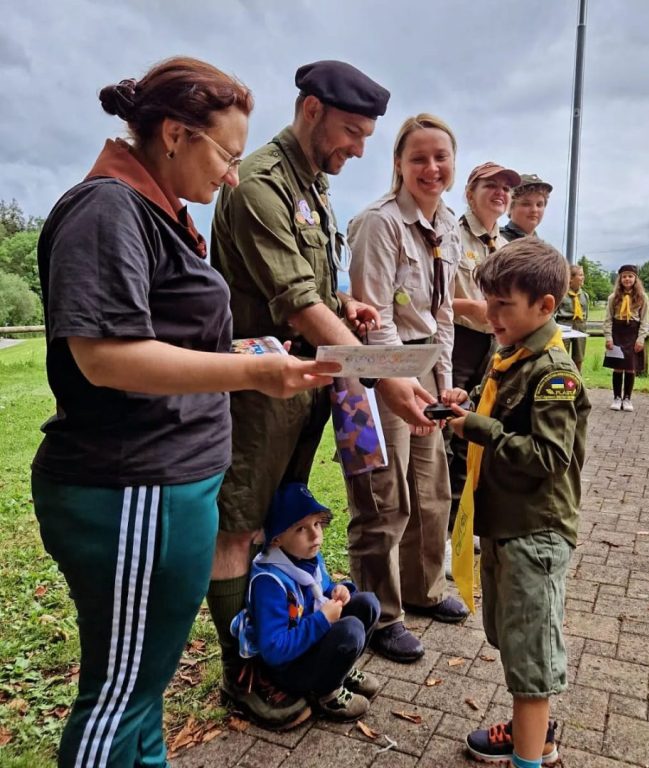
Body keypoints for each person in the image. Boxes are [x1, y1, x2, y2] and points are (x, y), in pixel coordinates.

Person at [31, 57, 339, 768]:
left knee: (142, 692)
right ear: (174, 135)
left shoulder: (155, 213)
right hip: (130, 485)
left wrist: (239, 348)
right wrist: (252, 372)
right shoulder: (107, 209)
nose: (233, 174)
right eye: (228, 154)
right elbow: (106, 355)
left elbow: (161, 338)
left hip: (164, 484)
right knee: (118, 699)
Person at [208, 60, 436, 726]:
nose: (360, 148)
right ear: (311, 109)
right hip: (257, 394)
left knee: (278, 524)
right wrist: (386, 373)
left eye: (368, 135)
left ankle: (291, 658)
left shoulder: (311, 184)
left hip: (305, 384)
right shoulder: (259, 185)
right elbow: (294, 301)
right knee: (240, 528)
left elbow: (309, 289)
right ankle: (244, 673)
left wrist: (348, 304)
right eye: (352, 131)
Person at [448, 237, 590, 768]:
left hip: (536, 533)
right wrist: (466, 405)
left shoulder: (553, 372)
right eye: (488, 301)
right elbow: (500, 414)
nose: (490, 314)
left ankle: (531, 757)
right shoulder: (510, 355)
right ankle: (537, 734)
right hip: (506, 527)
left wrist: (480, 428)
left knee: (532, 661)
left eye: (502, 305)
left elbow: (548, 456)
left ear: (545, 306)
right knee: (514, 642)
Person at [345, 113, 469, 664]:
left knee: (432, 486)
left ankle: (423, 590)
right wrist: (399, 379)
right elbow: (374, 318)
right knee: (383, 496)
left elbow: (441, 313)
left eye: (440, 156)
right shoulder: (380, 223)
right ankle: (379, 613)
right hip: (378, 365)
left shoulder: (445, 225)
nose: (431, 167)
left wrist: (441, 381)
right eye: (418, 157)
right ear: (397, 163)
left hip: (422, 362)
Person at [230, 482, 381, 724]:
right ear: (277, 539)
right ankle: (327, 692)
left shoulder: (307, 555)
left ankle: (341, 669)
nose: (315, 534)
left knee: (367, 603)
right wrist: (322, 620)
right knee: (350, 629)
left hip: (309, 639)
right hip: (289, 668)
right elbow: (274, 651)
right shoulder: (270, 583)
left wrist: (339, 591)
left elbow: (322, 589)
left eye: (317, 524)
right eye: (301, 528)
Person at [446, 162, 521, 576]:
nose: (500, 193)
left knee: (476, 433)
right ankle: (441, 536)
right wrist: (471, 307)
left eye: (506, 188)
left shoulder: (506, 246)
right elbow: (430, 298)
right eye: (490, 185)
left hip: (493, 346)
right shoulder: (452, 235)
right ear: (470, 192)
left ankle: (464, 524)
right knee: (449, 433)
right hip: (459, 342)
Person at [603, 264, 649, 412]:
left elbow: (645, 320)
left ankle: (627, 398)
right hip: (617, 333)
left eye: (630, 276)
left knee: (630, 368)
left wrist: (641, 339)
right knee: (617, 367)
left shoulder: (642, 297)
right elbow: (608, 320)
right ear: (620, 279)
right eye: (624, 276)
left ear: (635, 279)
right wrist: (609, 337)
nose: (627, 279)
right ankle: (616, 398)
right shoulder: (613, 298)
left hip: (633, 334)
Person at [555, 263, 590, 371]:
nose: (582, 277)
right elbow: (552, 313)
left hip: (580, 325)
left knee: (578, 358)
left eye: (583, 275)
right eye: (580, 275)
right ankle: (560, 384)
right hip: (564, 326)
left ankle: (577, 383)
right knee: (562, 356)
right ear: (570, 279)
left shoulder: (584, 295)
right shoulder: (561, 294)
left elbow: (586, 314)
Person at [499, 173, 553, 241]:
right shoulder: (497, 241)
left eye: (539, 205)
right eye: (526, 204)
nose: (534, 210)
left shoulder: (543, 248)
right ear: (510, 207)